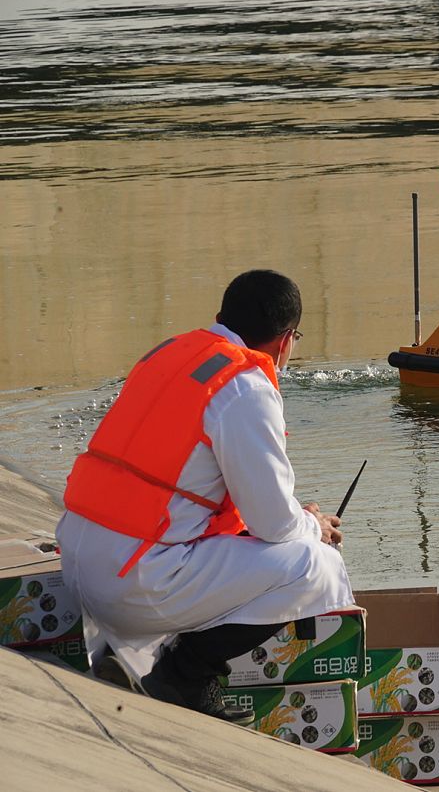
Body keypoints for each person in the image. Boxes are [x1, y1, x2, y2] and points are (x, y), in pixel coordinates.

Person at [56, 269, 353, 724]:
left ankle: (148, 652)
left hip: (78, 563)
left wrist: (297, 515)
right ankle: (185, 675)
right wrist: (313, 526)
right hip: (131, 582)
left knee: (266, 540)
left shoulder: (170, 353)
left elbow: (181, 484)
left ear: (220, 317)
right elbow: (274, 524)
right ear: (286, 341)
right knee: (317, 565)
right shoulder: (245, 386)